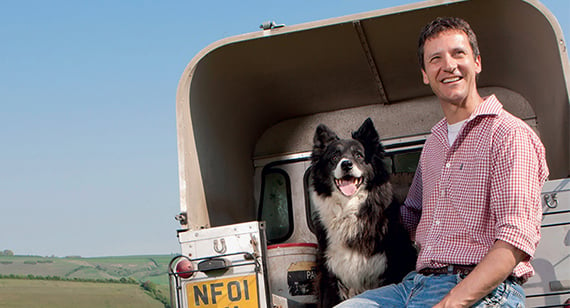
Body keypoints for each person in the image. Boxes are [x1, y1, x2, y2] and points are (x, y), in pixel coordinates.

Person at [335, 16, 549, 308]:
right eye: (435, 58)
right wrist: (350, 214)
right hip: (417, 284)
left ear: (477, 62)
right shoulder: (434, 143)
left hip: (484, 289)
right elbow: (410, 215)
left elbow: (514, 241)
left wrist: (448, 304)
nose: (448, 65)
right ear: (425, 74)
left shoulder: (509, 135)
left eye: (458, 54)